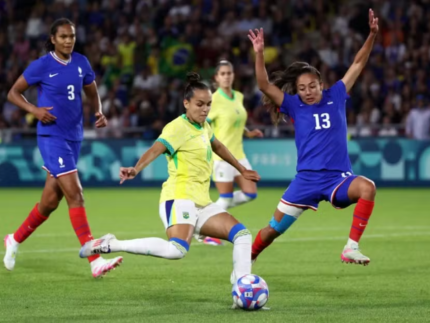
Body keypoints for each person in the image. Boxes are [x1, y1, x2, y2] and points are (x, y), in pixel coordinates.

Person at [79, 73, 260, 294]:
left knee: (243, 235)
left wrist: (242, 169)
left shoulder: (204, 127)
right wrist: (136, 168)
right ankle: (114, 243)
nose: (205, 109)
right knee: (177, 250)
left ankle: (242, 286)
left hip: (202, 202)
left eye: (208, 104)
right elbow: (156, 148)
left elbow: (218, 146)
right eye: (200, 104)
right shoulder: (177, 128)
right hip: (178, 198)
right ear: (186, 103)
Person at [247, 9, 379, 265]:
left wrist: (372, 35)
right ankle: (247, 260)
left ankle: (351, 247)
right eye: (302, 88)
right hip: (306, 180)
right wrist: (260, 53)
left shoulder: (337, 94)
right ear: (297, 91)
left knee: (367, 187)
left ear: (321, 83)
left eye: (312, 86)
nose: (307, 92)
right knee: (274, 229)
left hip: (336, 178)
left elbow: (358, 63)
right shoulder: (293, 104)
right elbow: (264, 85)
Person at [4, 18, 123, 277]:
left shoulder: (81, 62)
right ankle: (94, 260)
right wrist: (34, 110)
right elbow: (13, 93)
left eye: (72, 36)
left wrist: (99, 111)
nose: (68, 40)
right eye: (63, 37)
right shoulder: (42, 65)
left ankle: (14, 238)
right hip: (51, 137)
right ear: (53, 39)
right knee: (76, 194)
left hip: (74, 137)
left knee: (49, 202)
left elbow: (91, 90)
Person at [203, 60, 264, 246]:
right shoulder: (213, 99)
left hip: (239, 154)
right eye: (223, 73)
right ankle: (209, 233)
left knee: (250, 193)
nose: (227, 76)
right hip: (222, 156)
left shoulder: (238, 96)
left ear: (233, 75)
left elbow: (236, 119)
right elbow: (201, 122)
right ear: (216, 78)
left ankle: (208, 213)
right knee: (226, 197)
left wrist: (248, 132)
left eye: (229, 73)